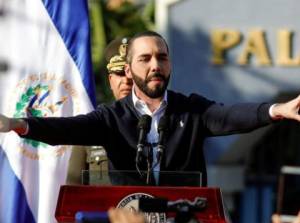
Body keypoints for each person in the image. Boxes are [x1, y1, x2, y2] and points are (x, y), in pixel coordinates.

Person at [1, 31, 300, 186]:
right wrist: (18, 124)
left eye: (162, 57)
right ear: (128, 70)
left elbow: (231, 115)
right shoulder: (111, 118)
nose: (155, 65)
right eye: (145, 59)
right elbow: (69, 128)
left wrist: (277, 109)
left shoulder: (191, 109)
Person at [67, 37, 133, 184]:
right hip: (101, 207)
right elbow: (73, 185)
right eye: (120, 73)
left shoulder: (160, 124)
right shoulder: (91, 125)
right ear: (110, 80)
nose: (126, 80)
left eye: (131, 73)